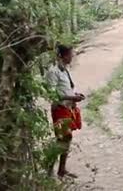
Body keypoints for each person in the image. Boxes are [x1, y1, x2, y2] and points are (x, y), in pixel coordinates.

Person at [45, 44, 85, 179]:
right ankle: (49, 169)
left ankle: (61, 170)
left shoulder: (64, 70)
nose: (71, 57)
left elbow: (64, 89)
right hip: (59, 109)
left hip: (67, 108)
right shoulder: (53, 71)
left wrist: (74, 94)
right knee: (62, 139)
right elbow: (52, 94)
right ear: (62, 56)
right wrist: (72, 97)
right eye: (69, 54)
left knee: (66, 138)